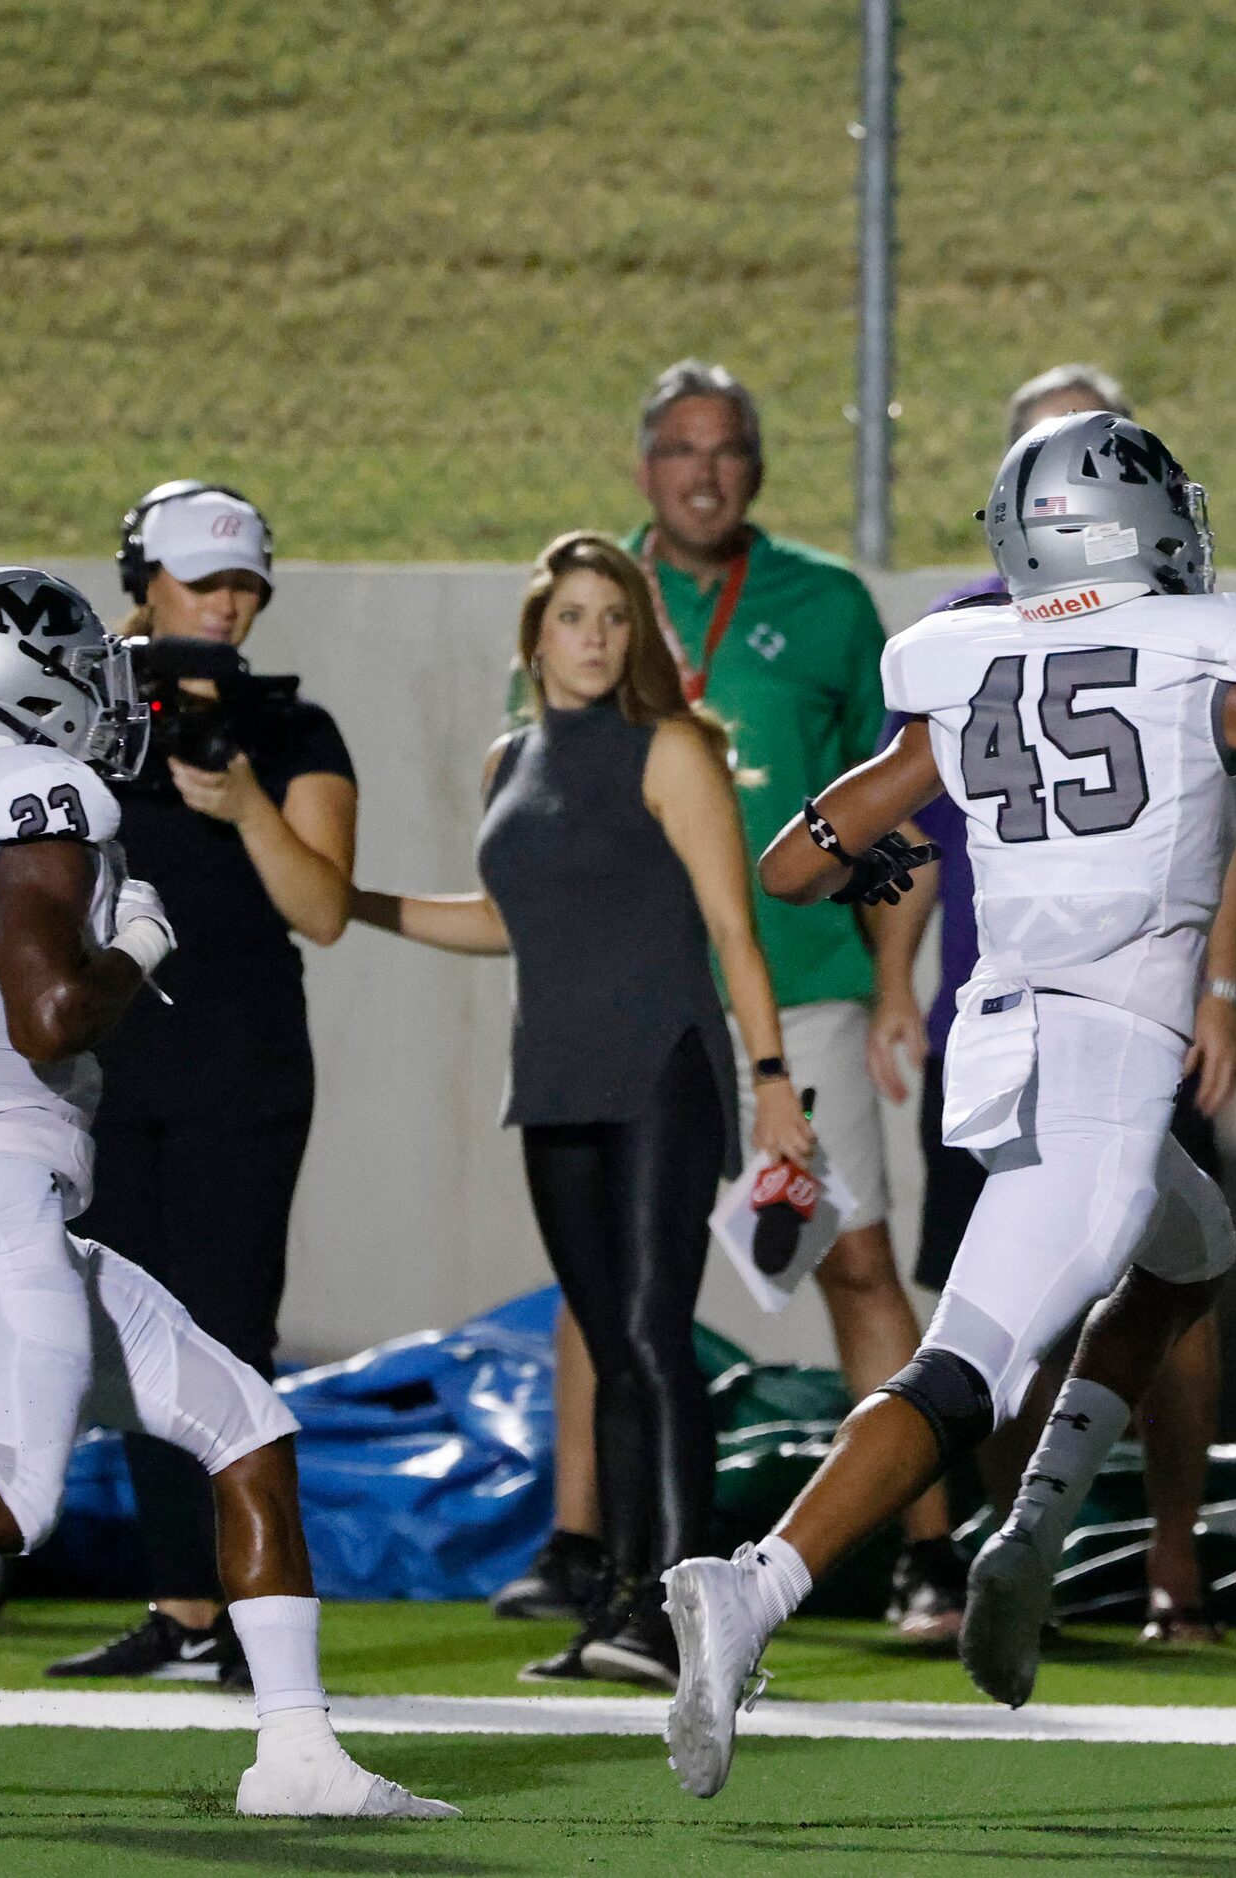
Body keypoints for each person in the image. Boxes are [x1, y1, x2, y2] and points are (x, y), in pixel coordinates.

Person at [655, 412, 1236, 1801]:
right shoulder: (1213, 670)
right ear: (1138, 524)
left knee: (1191, 1251)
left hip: (1009, 1040)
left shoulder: (967, 675)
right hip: (1106, 1059)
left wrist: (915, 842)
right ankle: (755, 1587)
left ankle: (1027, 1535)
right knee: (966, 1366)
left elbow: (796, 864)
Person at [0, 566, 449, 1818]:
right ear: (29, 687)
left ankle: (299, 1756)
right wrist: (136, 946)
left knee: (246, 1426)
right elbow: (51, 1012)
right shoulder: (30, 788)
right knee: (10, 1503)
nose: (115, 695)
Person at [499, 359, 960, 1641]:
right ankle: (581, 1546)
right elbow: (527, 799)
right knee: (603, 1286)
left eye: (727, 449)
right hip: (629, 1012)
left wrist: (888, 982)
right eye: (679, 449)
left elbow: (901, 802)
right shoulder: (592, 598)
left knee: (855, 1259)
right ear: (643, 467)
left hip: (798, 993)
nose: (703, 471)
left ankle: (931, 1557)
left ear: (756, 468)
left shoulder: (824, 603)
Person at [351, 531, 817, 1690]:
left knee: (656, 1339)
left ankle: (685, 1614)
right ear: (535, 635)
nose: (597, 638)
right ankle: (621, 1599)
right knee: (610, 1349)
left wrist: (771, 1088)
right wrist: (355, 903)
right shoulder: (510, 759)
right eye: (574, 617)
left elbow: (734, 933)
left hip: (663, 1068)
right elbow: (515, 921)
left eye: (615, 617)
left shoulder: (671, 750)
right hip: (553, 1077)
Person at [869, 361, 1236, 1642]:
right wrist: (888, 984)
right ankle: (987, 1548)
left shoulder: (1014, 643)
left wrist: (1227, 989)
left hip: (1126, 1003)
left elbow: (1226, 825)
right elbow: (914, 830)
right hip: (1028, 1004)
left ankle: (1151, 1562)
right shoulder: (978, 634)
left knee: (1174, 1263)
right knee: (989, 1315)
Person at [49, 484, 360, 1688]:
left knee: (231, 1334)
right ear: (145, 585)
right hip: (105, 1066)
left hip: (242, 1061)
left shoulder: (289, 727)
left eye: (243, 588)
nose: (226, 607)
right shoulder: (75, 716)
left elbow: (323, 908)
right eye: (202, 585)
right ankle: (181, 1605)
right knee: (123, 1337)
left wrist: (242, 800)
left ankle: (248, 1610)